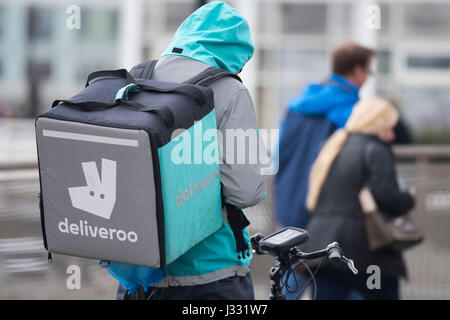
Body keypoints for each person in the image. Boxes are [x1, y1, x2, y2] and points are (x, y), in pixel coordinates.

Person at [117, 1, 266, 300]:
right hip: (210, 276)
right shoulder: (228, 90)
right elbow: (245, 192)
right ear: (236, 52)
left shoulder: (137, 77)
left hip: (138, 271)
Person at [274, 42, 375, 299]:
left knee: (292, 277)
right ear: (357, 71)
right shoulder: (350, 110)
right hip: (328, 212)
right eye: (368, 71)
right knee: (336, 280)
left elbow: (280, 154)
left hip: (290, 201)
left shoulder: (297, 104)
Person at [302, 98, 415, 300]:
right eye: (389, 127)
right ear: (377, 125)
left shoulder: (333, 146)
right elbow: (387, 195)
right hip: (365, 250)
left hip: (322, 248)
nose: (392, 135)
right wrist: (409, 198)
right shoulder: (376, 149)